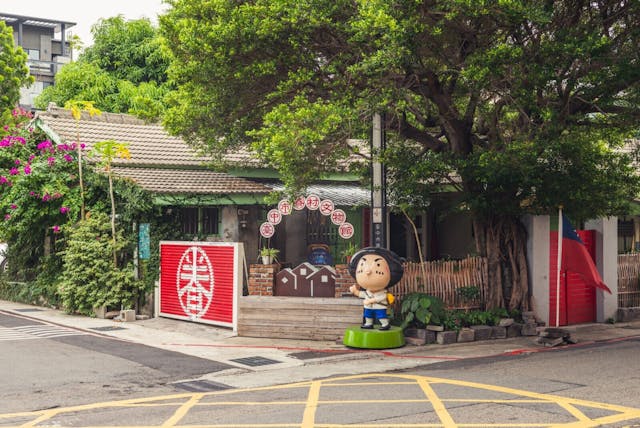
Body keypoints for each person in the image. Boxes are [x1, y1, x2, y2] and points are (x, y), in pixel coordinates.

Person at [348, 247, 404, 330]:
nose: (368, 271)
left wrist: (371, 300)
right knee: (367, 315)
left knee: (381, 316)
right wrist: (355, 291)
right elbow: (362, 294)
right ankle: (368, 324)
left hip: (379, 306)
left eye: (378, 265)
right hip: (368, 306)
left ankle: (385, 324)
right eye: (362, 265)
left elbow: (381, 298)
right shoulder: (368, 291)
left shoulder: (383, 293)